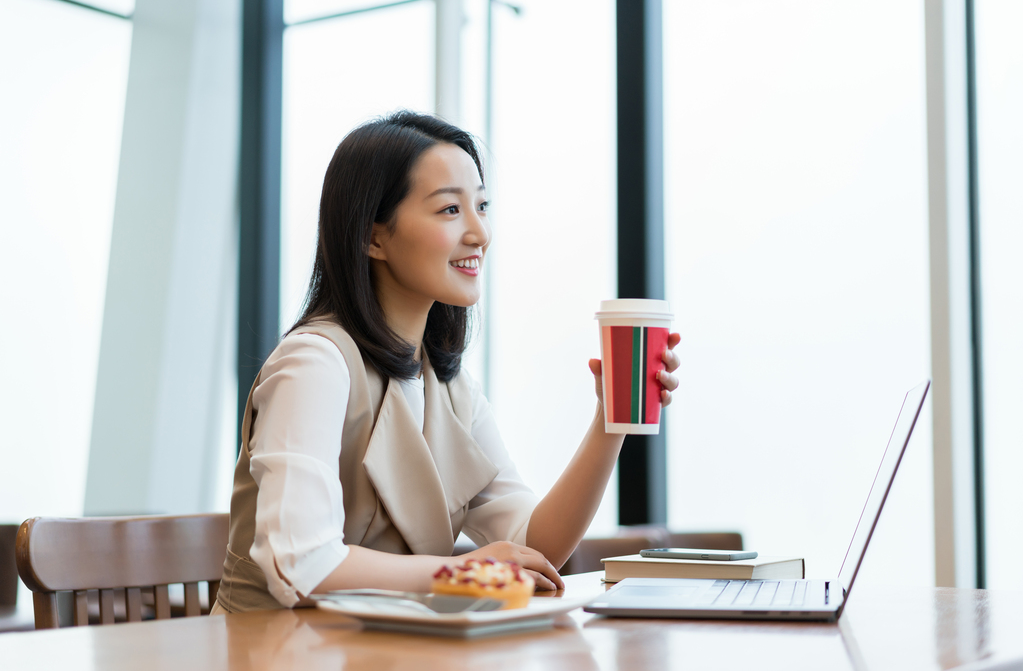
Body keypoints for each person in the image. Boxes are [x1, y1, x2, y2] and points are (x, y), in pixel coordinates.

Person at [214, 111, 681, 612]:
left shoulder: (450, 387)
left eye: (481, 205)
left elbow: (534, 548)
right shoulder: (314, 364)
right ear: (373, 237)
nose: (480, 232)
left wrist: (610, 421)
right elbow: (300, 564)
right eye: (449, 210)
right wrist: (464, 570)